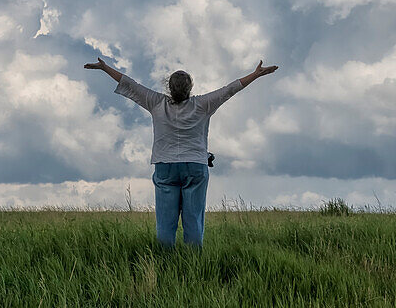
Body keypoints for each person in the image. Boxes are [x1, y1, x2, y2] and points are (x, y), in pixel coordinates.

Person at [84, 56, 278, 247]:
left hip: (165, 166)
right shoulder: (203, 104)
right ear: (190, 87)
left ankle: (166, 262)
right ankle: (192, 261)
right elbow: (229, 90)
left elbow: (130, 84)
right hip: (195, 166)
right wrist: (255, 74)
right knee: (193, 219)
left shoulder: (156, 102)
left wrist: (105, 68)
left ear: (169, 87)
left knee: (165, 222)